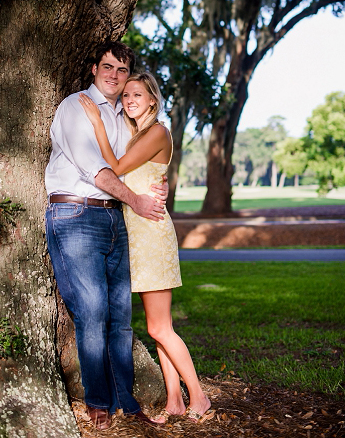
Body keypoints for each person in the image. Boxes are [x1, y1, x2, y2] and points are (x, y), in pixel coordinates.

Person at [79, 71, 213, 424]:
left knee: (160, 328)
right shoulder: (140, 133)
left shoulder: (157, 131)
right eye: (126, 96)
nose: (129, 100)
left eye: (137, 94)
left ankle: (198, 395)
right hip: (135, 233)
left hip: (151, 233)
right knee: (158, 326)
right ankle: (174, 401)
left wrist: (95, 122)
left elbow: (117, 167)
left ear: (153, 99)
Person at [45, 41, 165, 430]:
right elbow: (96, 170)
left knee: (121, 319)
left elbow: (137, 163)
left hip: (115, 219)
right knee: (93, 313)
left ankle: (126, 401)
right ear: (94, 68)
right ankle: (98, 401)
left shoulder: (123, 115)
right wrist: (139, 201)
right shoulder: (76, 106)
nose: (114, 76)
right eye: (108, 67)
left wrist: (156, 189)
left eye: (122, 70)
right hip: (76, 214)